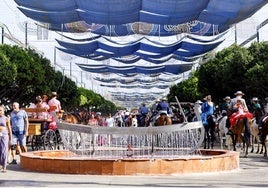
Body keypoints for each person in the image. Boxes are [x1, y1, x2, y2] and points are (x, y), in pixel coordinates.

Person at [0, 105, 12, 172]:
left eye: (1, 110)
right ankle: (1, 164)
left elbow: (9, 128)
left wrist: (11, 138)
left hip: (4, 135)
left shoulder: (6, 118)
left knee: (4, 150)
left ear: (3, 111)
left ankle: (4, 166)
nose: (0, 112)